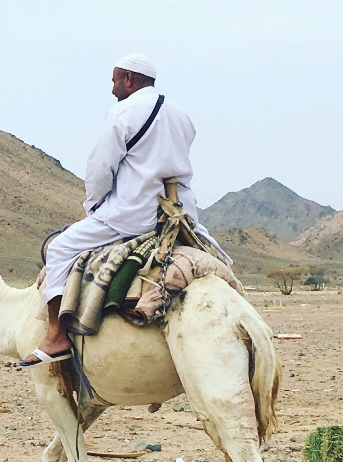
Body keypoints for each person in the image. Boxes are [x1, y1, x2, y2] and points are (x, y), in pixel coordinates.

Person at [20, 53, 229, 367]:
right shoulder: (182, 116)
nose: (113, 88)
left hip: (133, 213)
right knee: (218, 256)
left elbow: (101, 169)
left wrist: (94, 207)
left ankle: (56, 336)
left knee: (60, 248)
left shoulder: (122, 111)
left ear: (129, 79)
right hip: (180, 214)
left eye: (115, 80)